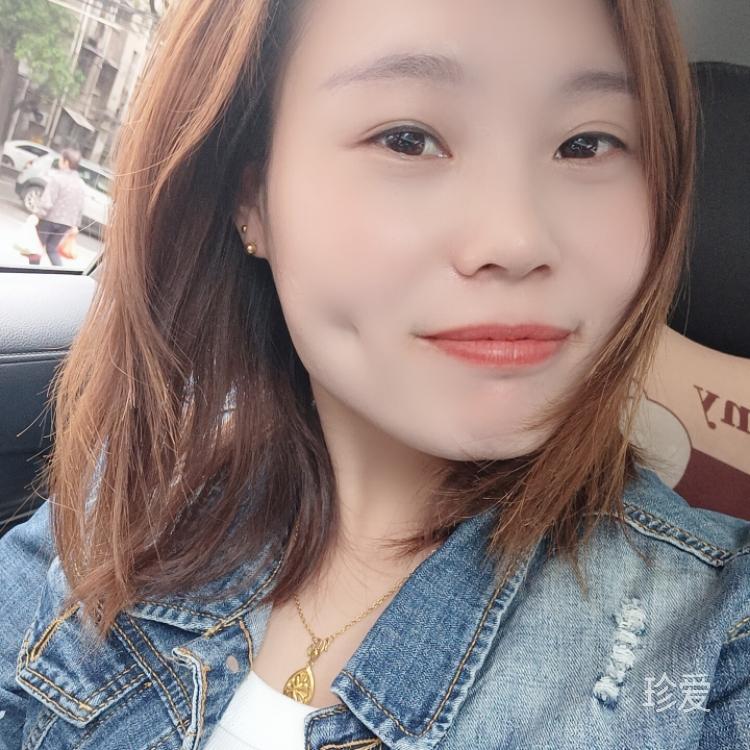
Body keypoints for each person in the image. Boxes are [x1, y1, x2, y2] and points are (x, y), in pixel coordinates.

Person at [0, 1, 747, 749]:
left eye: (587, 144)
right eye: (407, 139)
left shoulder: (712, 652)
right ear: (251, 196)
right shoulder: (137, 490)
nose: (518, 239)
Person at [28, 147, 84, 266]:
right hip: (66, 223)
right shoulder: (80, 183)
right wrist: (75, 224)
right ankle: (60, 272)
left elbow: (47, 201)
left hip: (49, 219)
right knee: (52, 248)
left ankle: (32, 272)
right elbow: (80, 206)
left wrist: (37, 215)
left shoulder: (57, 178)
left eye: (60, 159)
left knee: (36, 248)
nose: (59, 161)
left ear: (66, 162)